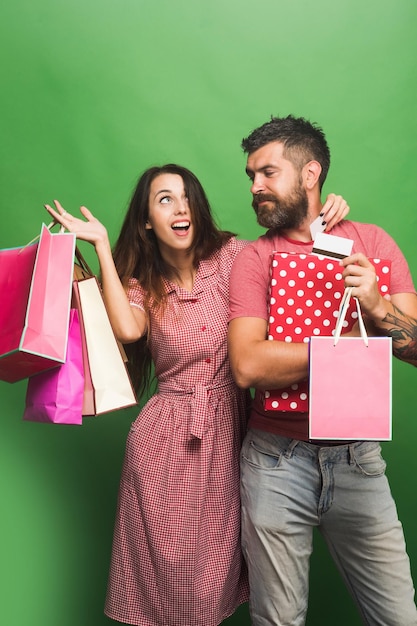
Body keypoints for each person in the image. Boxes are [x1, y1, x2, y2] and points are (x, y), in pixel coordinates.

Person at [45, 163, 348, 626]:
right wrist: (102, 246)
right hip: (164, 445)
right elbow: (127, 330)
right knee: (170, 577)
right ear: (147, 220)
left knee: (210, 582)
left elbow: (290, 265)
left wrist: (322, 222)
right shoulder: (141, 285)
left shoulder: (231, 257)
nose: (180, 207)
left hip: (228, 439)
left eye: (186, 197)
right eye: (164, 199)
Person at [227, 116, 417, 626]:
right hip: (274, 461)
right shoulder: (255, 258)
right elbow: (247, 364)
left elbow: (415, 346)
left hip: (358, 459)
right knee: (278, 621)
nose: (254, 187)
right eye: (250, 175)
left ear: (310, 173)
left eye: (267, 172)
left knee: (399, 617)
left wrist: (377, 307)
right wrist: (348, 347)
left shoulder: (373, 243)